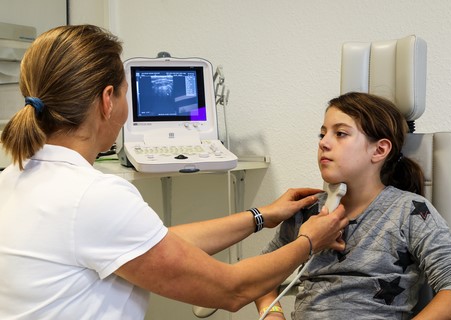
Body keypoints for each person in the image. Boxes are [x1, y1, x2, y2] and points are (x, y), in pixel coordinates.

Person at [0, 25, 350, 319]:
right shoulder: (93, 196)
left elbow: (153, 244)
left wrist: (262, 215)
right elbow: (232, 289)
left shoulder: (12, 179)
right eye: (125, 93)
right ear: (108, 100)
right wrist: (309, 241)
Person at [255, 92, 451, 319]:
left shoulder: (409, 211)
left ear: (379, 150)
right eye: (322, 134)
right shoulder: (306, 212)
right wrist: (272, 313)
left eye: (340, 134)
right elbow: (259, 275)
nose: (323, 142)